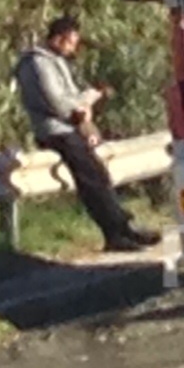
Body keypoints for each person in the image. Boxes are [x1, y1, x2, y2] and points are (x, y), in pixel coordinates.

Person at [13, 15, 159, 251]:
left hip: (67, 129)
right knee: (92, 179)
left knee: (98, 176)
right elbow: (59, 104)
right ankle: (118, 231)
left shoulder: (54, 61)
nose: (73, 48)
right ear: (58, 38)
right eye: (71, 42)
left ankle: (121, 230)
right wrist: (89, 98)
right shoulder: (38, 64)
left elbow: (68, 99)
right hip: (56, 131)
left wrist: (84, 106)